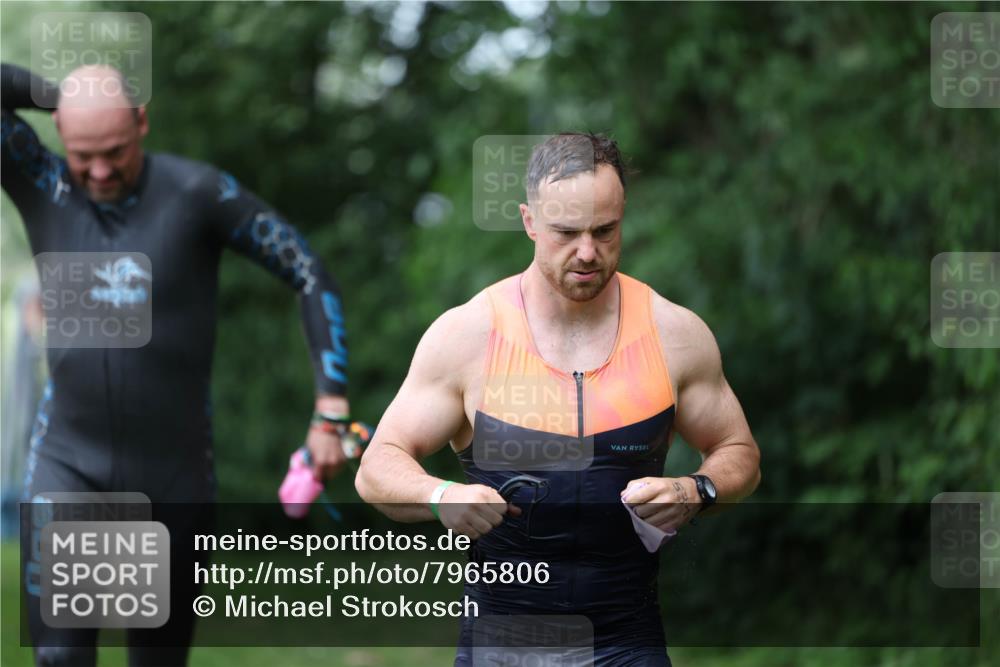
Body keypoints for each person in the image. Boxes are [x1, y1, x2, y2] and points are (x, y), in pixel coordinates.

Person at [355, 133, 761, 666]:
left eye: (605, 231)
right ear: (528, 222)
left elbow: (740, 452)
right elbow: (377, 467)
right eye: (566, 233)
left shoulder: (674, 333)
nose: (588, 252)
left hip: (627, 642)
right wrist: (439, 496)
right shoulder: (467, 335)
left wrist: (697, 488)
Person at [2, 63, 351, 666]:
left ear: (141, 120)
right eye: (84, 154)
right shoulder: (43, 183)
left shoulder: (196, 194)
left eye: (114, 150)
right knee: (59, 660)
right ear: (58, 130)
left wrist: (331, 405)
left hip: (171, 481)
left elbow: (307, 269)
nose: (100, 171)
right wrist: (71, 96)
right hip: (69, 471)